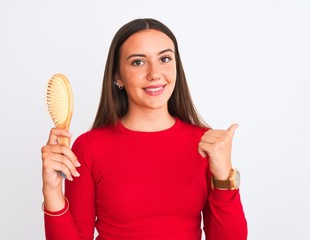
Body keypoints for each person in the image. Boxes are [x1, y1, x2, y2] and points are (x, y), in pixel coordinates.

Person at [41, 18, 247, 240]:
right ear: (117, 75)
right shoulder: (89, 147)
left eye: (165, 59)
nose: (154, 73)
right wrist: (52, 190)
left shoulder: (206, 143)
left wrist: (224, 175)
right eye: (138, 62)